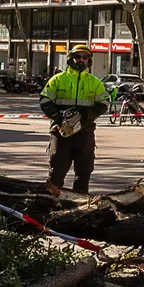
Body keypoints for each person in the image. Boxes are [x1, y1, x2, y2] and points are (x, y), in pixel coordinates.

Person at [39, 45, 109, 196]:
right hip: (60, 133)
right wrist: (59, 117)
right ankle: (51, 205)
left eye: (85, 58)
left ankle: (80, 207)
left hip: (85, 133)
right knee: (56, 174)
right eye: (78, 57)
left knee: (84, 174)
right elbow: (45, 101)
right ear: (71, 59)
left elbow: (104, 103)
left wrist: (87, 114)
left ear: (89, 61)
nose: (81, 60)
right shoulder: (58, 80)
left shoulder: (95, 82)